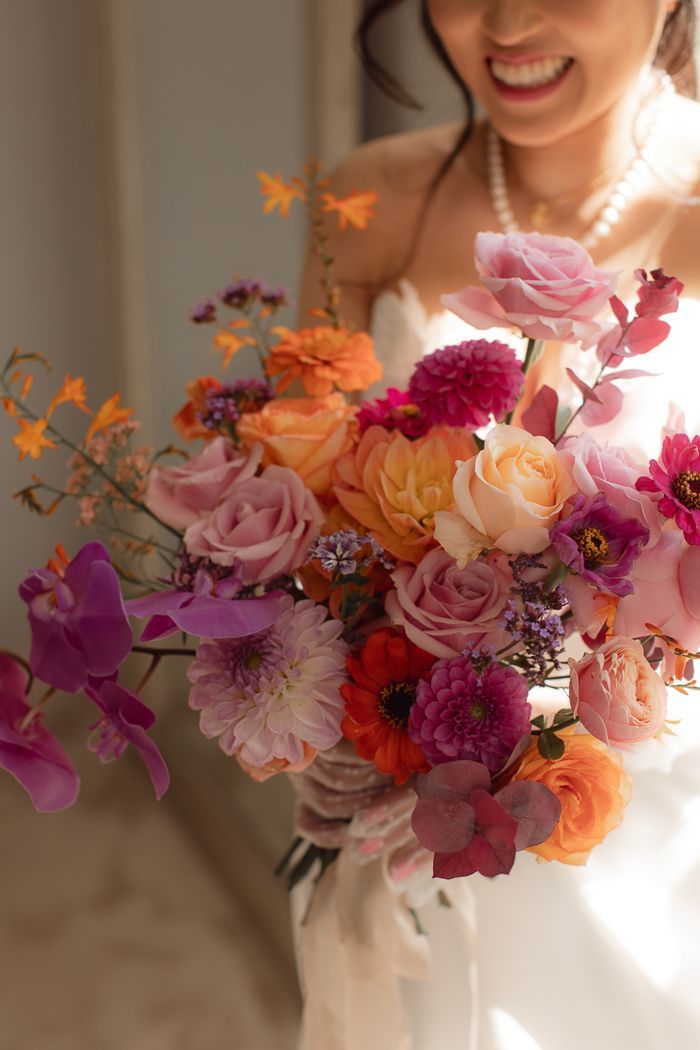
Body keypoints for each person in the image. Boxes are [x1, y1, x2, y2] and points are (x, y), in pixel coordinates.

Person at [294, 3, 700, 1048]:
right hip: (414, 821)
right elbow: (299, 510)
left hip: (658, 843)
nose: (507, 18)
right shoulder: (369, 194)